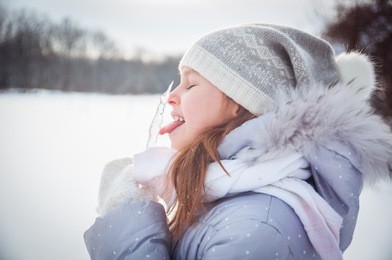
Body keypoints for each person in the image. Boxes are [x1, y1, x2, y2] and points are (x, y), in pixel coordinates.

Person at [84, 24, 392, 260]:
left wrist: (129, 225)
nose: (172, 96)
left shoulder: (258, 228)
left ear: (242, 102)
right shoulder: (223, 190)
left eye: (191, 84)